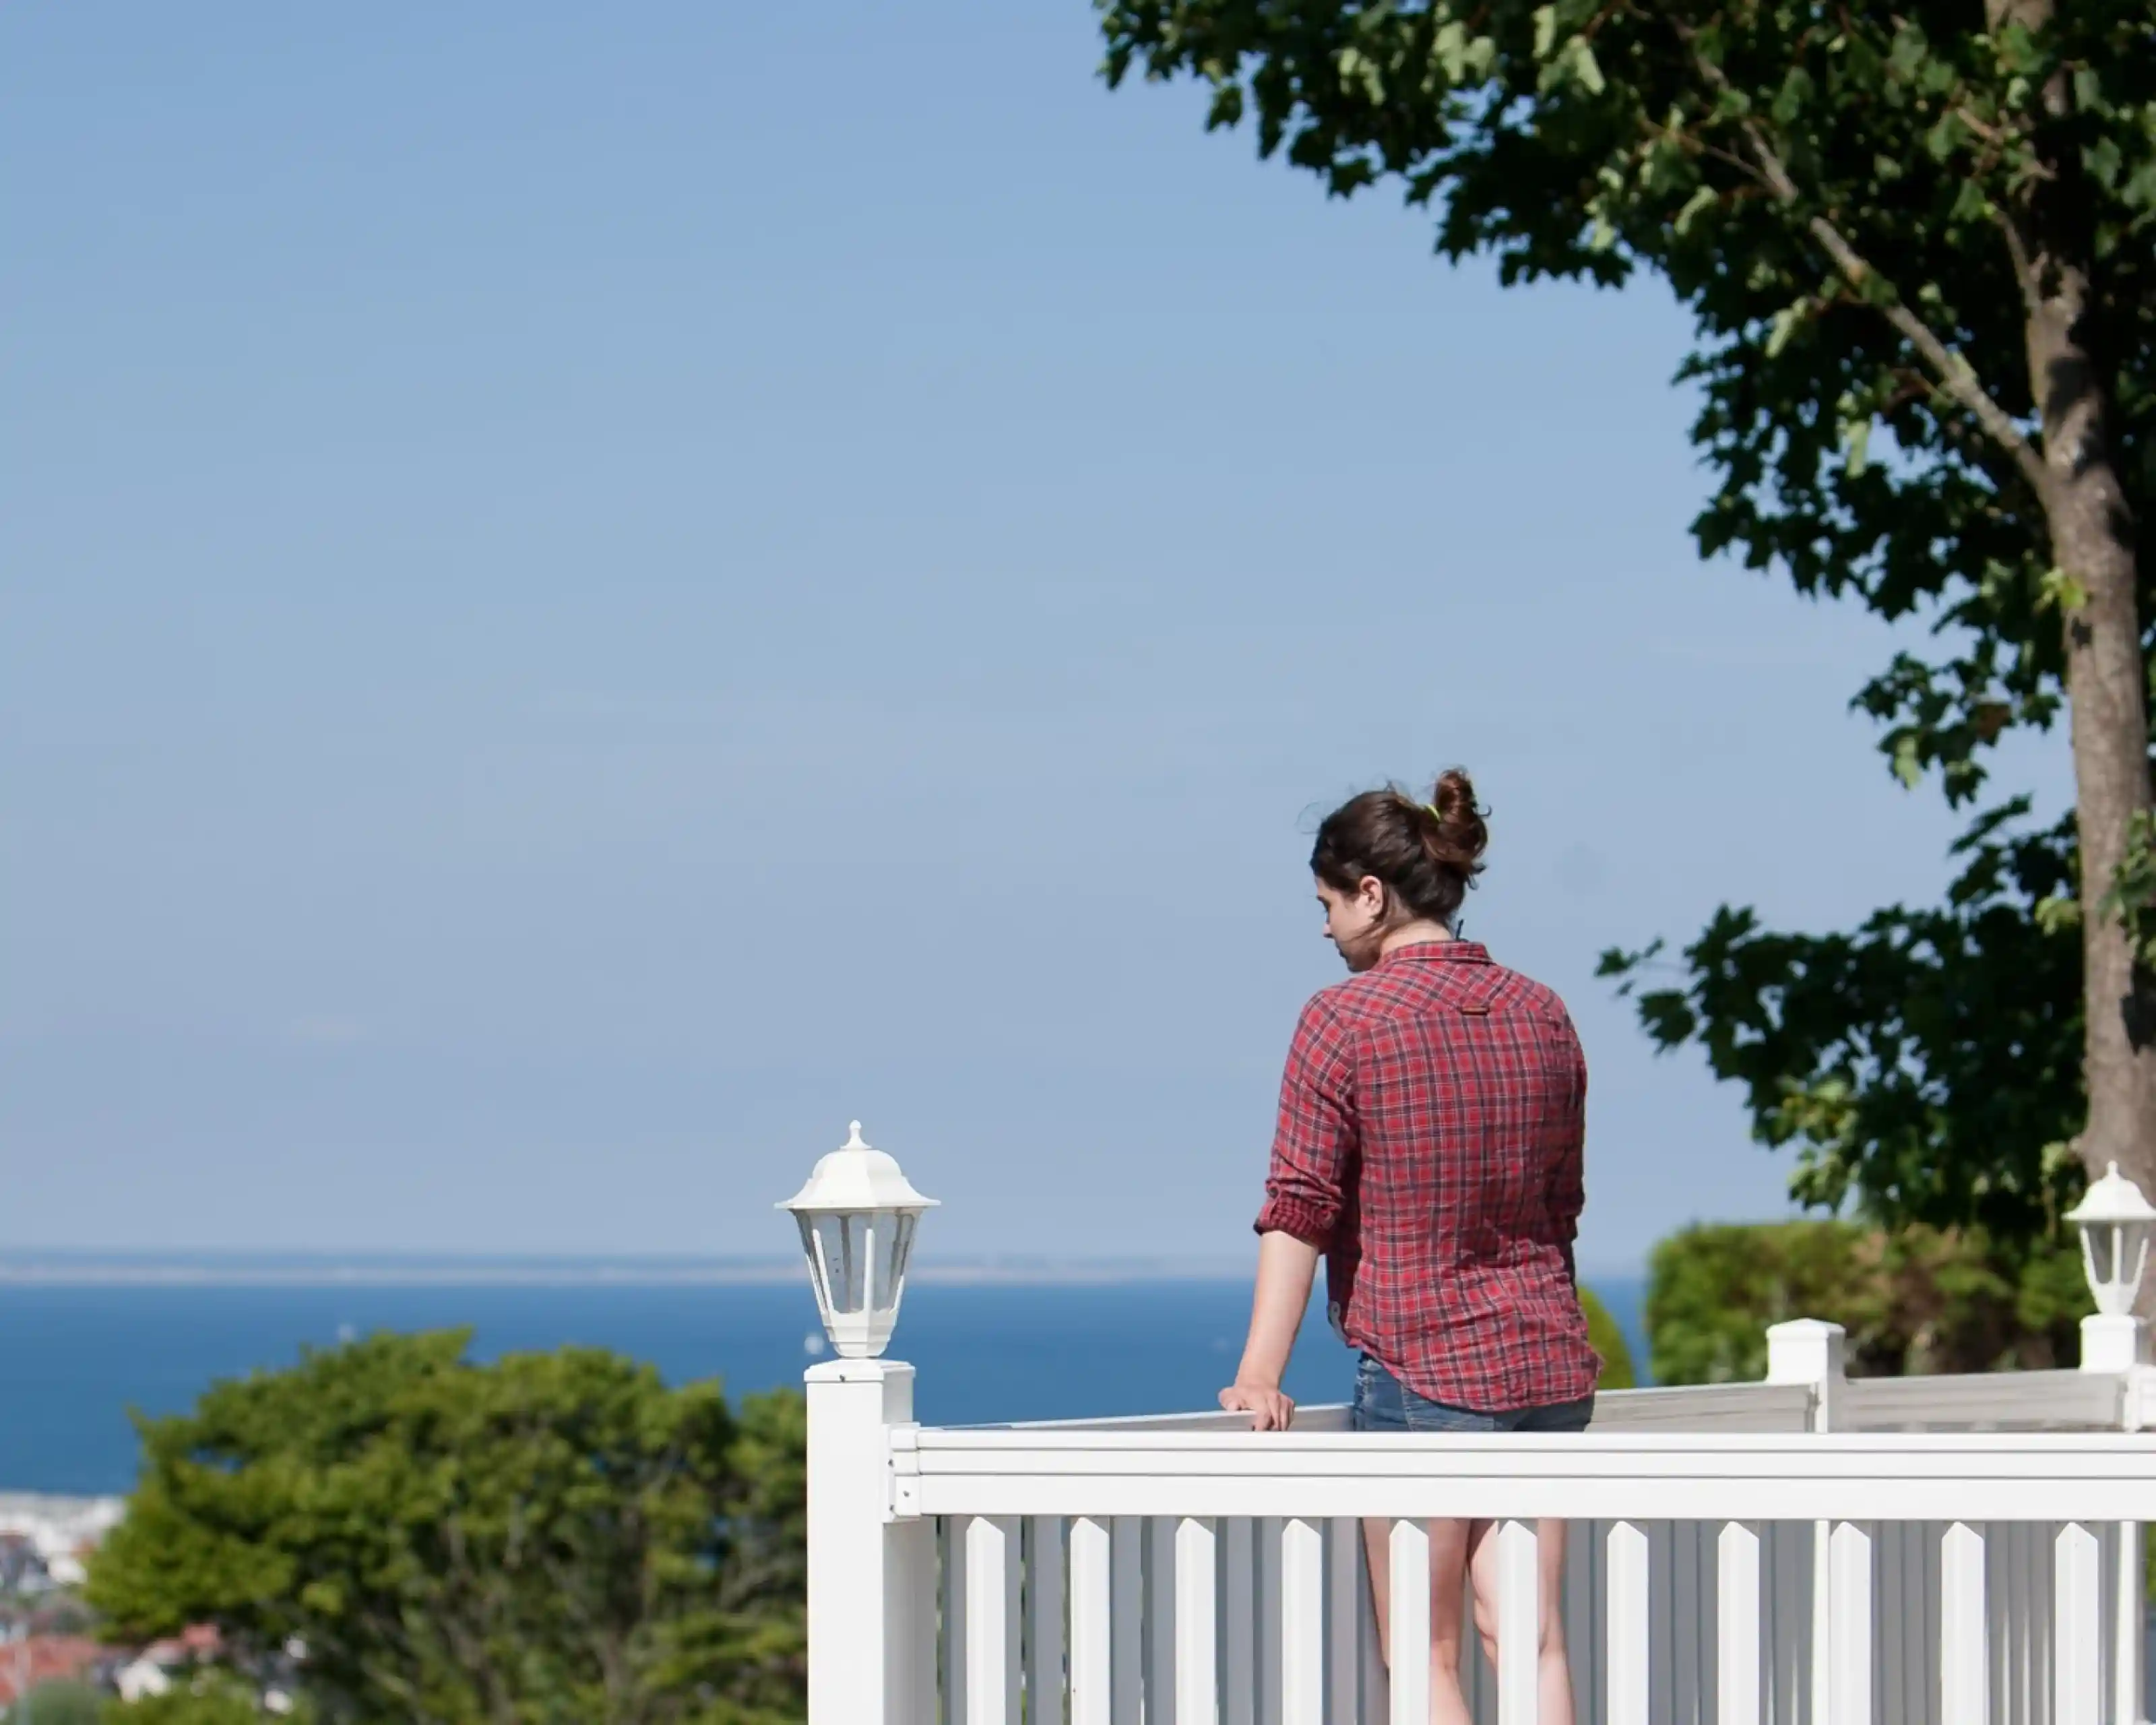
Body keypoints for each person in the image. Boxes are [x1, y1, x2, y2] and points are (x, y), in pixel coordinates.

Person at [1218, 767, 1600, 1725]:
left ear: (1372, 894)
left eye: (1327, 905)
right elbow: (1561, 1209)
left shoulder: (1342, 1021)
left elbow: (1300, 1208)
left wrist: (1260, 1373)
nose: (1324, 929)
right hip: (1548, 1367)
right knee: (1531, 1638)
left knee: (1425, 1651)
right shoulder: (1543, 1012)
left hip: (1424, 1367)